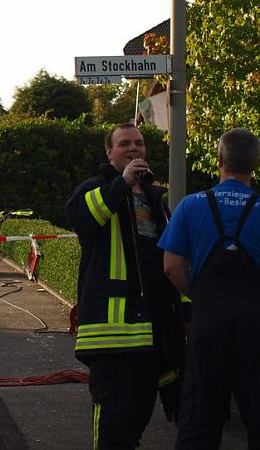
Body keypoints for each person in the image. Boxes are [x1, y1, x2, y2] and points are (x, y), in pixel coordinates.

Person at [65, 123, 184, 449]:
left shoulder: (156, 199)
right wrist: (122, 183)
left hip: (150, 335)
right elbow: (80, 218)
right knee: (113, 429)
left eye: (139, 144)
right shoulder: (96, 188)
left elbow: (171, 261)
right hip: (111, 336)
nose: (134, 149)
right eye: (124, 144)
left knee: (136, 424)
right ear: (109, 152)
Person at [159, 128, 260, 448]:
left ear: (219, 161)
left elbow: (171, 267)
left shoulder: (190, 206)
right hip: (254, 324)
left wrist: (200, 297)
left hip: (207, 323)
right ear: (254, 164)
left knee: (200, 418)